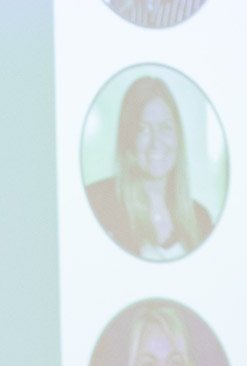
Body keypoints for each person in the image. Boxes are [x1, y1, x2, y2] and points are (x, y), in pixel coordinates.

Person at [86, 76, 213, 260]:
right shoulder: (99, 204)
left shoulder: (201, 220)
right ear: (128, 138)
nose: (156, 143)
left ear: (178, 136)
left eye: (165, 128)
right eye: (143, 129)